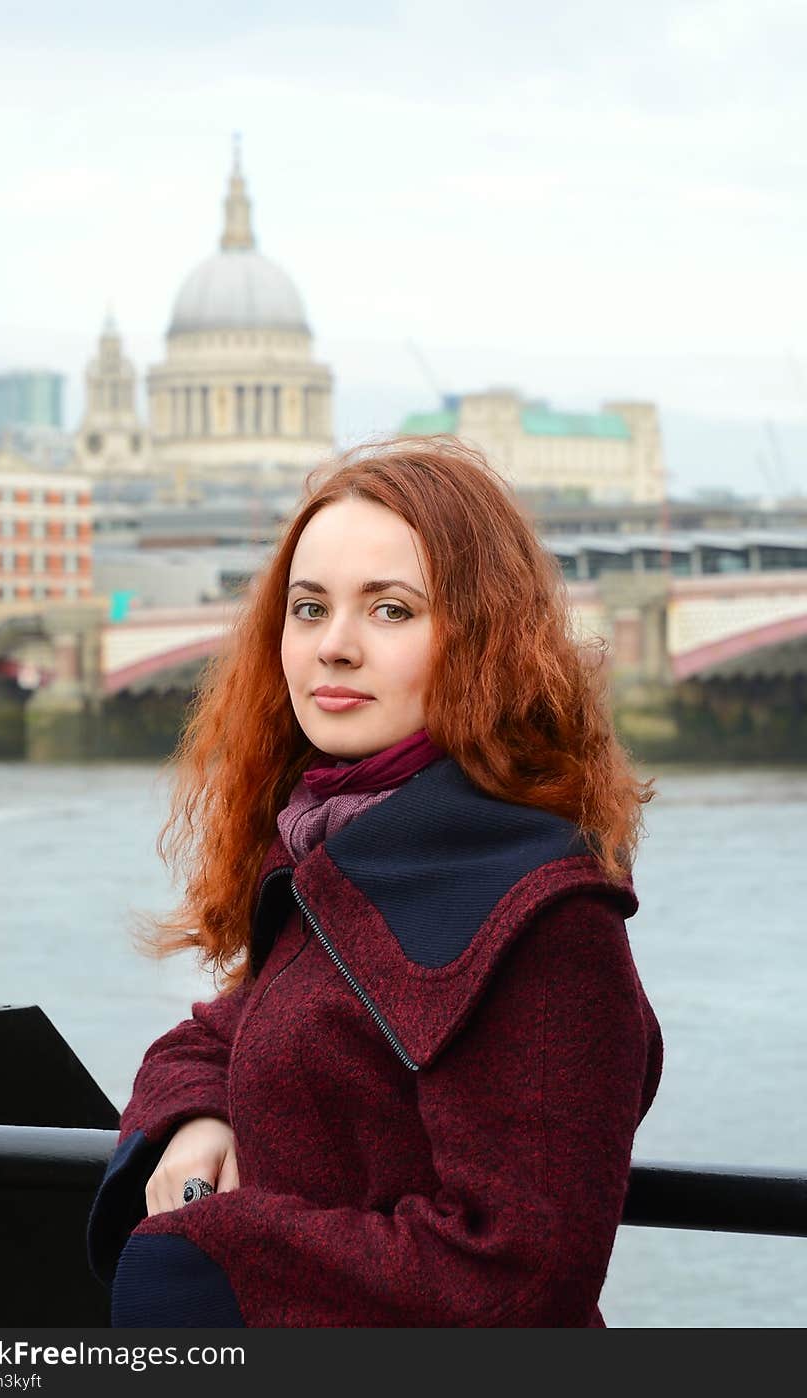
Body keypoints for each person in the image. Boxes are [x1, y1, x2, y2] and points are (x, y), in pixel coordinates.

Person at [87, 435, 663, 1328]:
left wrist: (211, 1258)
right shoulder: (339, 857)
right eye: (309, 608)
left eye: (390, 611)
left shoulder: (543, 913)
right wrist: (198, 1123)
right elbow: (208, 1040)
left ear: (484, 639)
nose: (335, 648)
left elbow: (519, 1276)